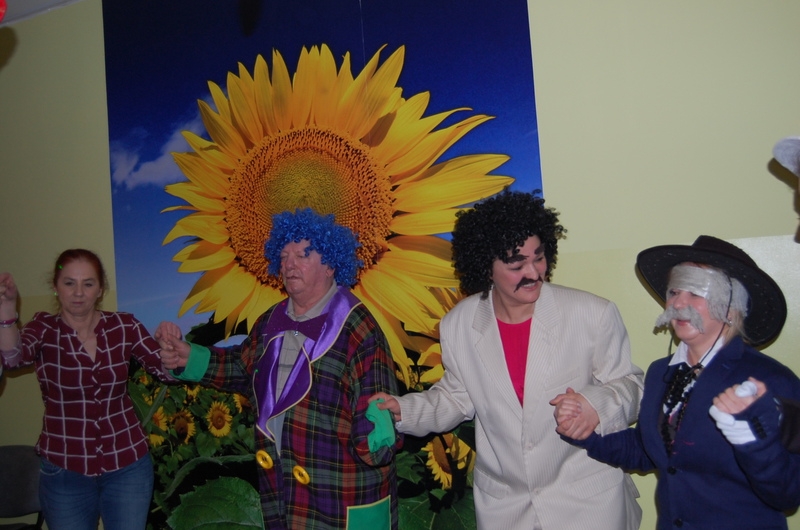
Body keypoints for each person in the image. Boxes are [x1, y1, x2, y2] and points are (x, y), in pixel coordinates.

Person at [371, 190, 644, 530]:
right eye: (517, 265)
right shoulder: (458, 323)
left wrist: (595, 405)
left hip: (589, 505)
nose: (534, 273)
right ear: (486, 267)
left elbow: (633, 387)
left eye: (539, 258)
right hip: (506, 510)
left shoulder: (592, 313)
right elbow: (456, 398)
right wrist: (404, 411)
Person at [157, 208, 400, 530]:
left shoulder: (359, 328)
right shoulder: (270, 320)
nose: (289, 264)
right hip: (283, 493)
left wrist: (374, 445)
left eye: (302, 254)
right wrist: (188, 358)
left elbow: (379, 413)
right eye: (284, 256)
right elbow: (242, 368)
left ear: (330, 264)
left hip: (341, 495)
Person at [561, 235, 800, 529]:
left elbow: (787, 493)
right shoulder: (662, 373)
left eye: (696, 293)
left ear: (731, 307)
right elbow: (651, 449)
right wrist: (585, 432)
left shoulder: (770, 380)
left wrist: (751, 438)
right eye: (674, 291)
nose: (678, 303)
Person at [0, 249, 174, 530]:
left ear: (100, 289)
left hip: (127, 465)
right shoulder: (44, 328)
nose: (78, 293)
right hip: (65, 470)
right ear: (56, 287)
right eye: (69, 283)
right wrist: (7, 309)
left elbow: (166, 372)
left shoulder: (124, 326)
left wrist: (169, 347)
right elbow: (12, 359)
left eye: (88, 283)